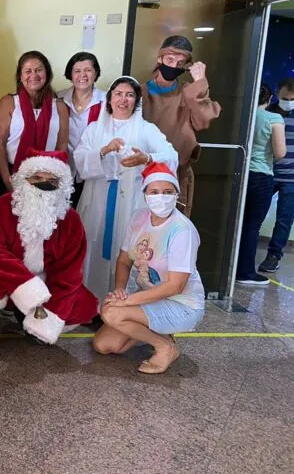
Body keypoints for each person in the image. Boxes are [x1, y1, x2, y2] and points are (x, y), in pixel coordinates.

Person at [0, 149, 98, 364]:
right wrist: (25, 285)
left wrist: (49, 311)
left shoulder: (71, 220)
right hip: (5, 272)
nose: (43, 185)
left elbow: (70, 269)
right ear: (23, 180)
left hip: (45, 277)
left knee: (77, 301)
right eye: (37, 178)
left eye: (51, 180)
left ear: (61, 185)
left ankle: (32, 321)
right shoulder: (3, 205)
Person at [93, 162, 205, 374]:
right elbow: (124, 260)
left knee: (112, 314)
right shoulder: (138, 218)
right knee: (105, 345)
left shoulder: (182, 230)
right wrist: (120, 290)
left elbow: (175, 286)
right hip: (149, 297)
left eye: (167, 192)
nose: (161, 197)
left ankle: (165, 347)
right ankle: (160, 331)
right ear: (145, 194)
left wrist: (127, 301)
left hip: (181, 304)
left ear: (176, 194)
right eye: (154, 191)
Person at [74, 76, 178, 303]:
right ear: (110, 98)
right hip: (98, 197)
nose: (123, 99)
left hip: (131, 201)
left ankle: (123, 302)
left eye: (129, 95)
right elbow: (79, 159)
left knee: (127, 247)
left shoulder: (146, 129)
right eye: (118, 94)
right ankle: (90, 302)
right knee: (93, 244)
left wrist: (148, 158)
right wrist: (102, 151)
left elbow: (171, 155)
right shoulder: (94, 128)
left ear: (136, 101)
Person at [141, 35, 221, 217]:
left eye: (180, 63)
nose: (173, 66)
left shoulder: (189, 93)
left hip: (177, 173)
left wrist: (200, 82)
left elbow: (205, 120)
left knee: (175, 229)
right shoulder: (140, 93)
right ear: (159, 58)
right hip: (143, 173)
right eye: (170, 60)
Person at [0, 51, 68, 194]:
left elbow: (62, 145)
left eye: (39, 70)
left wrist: (56, 177)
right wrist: (7, 179)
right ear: (20, 76)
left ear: (47, 74)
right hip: (13, 173)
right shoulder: (8, 102)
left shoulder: (59, 106)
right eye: (28, 71)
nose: (33, 75)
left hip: (48, 176)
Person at [235, 82, 286, 285]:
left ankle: (228, 268)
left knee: (235, 223)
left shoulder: (242, 116)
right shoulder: (274, 118)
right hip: (261, 175)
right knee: (252, 226)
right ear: (270, 98)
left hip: (238, 173)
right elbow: (280, 153)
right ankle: (245, 273)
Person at [57, 52, 107, 207]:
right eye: (77, 71)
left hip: (94, 168)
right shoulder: (58, 99)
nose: (82, 75)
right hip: (63, 167)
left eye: (88, 70)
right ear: (70, 74)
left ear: (96, 73)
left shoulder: (107, 101)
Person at [259, 78, 294, 273]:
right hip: (268, 171)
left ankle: (274, 256)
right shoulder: (268, 112)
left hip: (292, 179)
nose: (288, 101)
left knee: (284, 219)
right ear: (277, 94)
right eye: (284, 98)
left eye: (292, 99)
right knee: (257, 213)